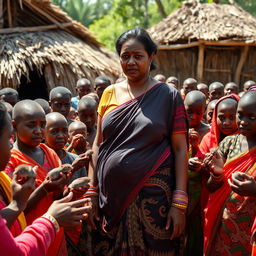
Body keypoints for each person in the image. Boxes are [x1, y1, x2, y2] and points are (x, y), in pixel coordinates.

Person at [88, 27, 188, 255]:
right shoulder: (109, 93)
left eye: (138, 56)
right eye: (125, 56)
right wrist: (91, 192)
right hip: (109, 200)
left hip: (154, 202)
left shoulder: (169, 95)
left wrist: (179, 203)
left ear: (151, 57)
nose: (130, 62)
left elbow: (181, 149)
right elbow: (98, 144)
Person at [0, 101, 91, 256]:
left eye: (42, 125)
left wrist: (71, 192)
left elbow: (56, 198)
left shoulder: (49, 153)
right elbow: (13, 211)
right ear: (14, 127)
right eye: (31, 126)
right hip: (28, 236)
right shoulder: (9, 161)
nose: (38, 131)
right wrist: (44, 189)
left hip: (55, 233)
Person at [204, 91, 256, 255]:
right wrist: (217, 173)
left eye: (251, 117)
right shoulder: (229, 143)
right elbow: (211, 188)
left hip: (250, 230)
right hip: (224, 225)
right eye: (240, 115)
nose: (243, 122)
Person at [184, 90, 209, 256]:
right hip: (180, 188)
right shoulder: (177, 128)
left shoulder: (208, 131)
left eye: (198, 113)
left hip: (201, 191)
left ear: (204, 112)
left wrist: (197, 146)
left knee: (196, 229)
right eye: (189, 112)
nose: (193, 117)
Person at [45, 113, 88, 183]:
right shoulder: (39, 159)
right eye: (54, 131)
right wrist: (73, 168)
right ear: (43, 133)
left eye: (64, 131)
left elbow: (83, 187)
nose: (61, 136)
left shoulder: (76, 160)